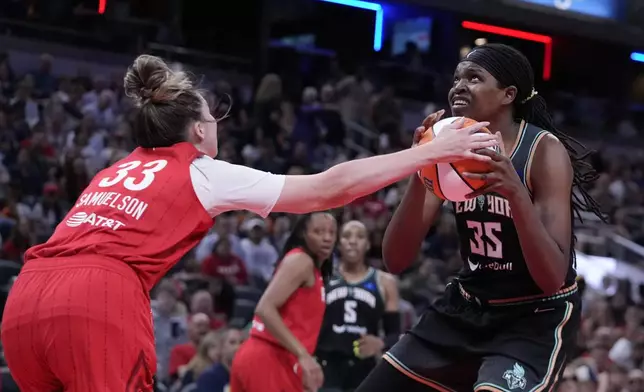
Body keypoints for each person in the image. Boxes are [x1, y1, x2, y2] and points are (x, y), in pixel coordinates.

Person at [0, 54, 496, 392]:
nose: (218, 126)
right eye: (213, 120)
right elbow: (329, 188)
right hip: (97, 299)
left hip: (25, 298)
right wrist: (430, 152)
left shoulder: (115, 170)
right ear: (197, 129)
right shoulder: (200, 169)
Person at [356, 43, 605, 392]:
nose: (459, 85)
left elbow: (551, 277)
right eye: (457, 78)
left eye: (474, 78)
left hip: (532, 316)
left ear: (508, 94)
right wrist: (420, 170)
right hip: (467, 306)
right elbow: (395, 259)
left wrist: (516, 193)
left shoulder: (542, 150)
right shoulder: (449, 146)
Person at [230, 212, 337, 392]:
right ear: (303, 233)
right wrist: (303, 355)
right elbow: (264, 308)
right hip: (268, 357)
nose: (326, 238)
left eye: (332, 232)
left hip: (272, 359)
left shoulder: (312, 270)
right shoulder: (301, 260)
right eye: (318, 232)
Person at [316, 220, 400, 392]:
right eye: (346, 236)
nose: (353, 241)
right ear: (339, 243)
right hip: (326, 367)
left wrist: (380, 343)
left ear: (368, 244)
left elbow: (395, 335)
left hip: (364, 369)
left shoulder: (385, 282)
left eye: (360, 237)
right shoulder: (321, 278)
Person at [196, 327, 244, 392]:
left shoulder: (247, 374)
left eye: (241, 342)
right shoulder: (209, 377)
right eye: (232, 342)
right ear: (221, 347)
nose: (238, 347)